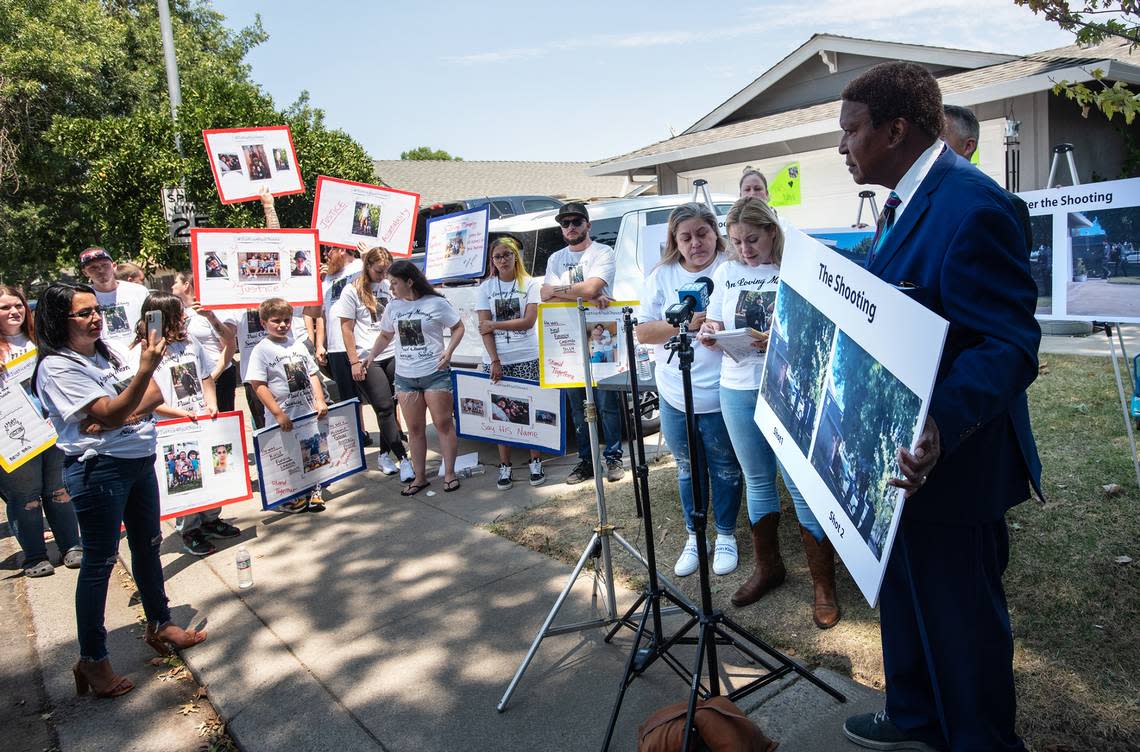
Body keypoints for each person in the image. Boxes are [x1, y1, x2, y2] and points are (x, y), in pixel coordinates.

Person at [837, 62, 1041, 751]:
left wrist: (939, 424)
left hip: (953, 463)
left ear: (894, 130)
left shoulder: (975, 206)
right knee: (906, 602)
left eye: (851, 131)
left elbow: (1008, 345)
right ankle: (915, 717)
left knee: (964, 634)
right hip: (899, 462)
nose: (842, 147)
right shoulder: (897, 204)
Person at [33, 282, 206, 699]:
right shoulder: (57, 367)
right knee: (100, 563)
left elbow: (152, 396)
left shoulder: (105, 351)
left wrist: (119, 415)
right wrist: (133, 388)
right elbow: (114, 408)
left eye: (96, 310)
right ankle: (93, 660)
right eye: (83, 313)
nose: (95, 318)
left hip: (138, 462)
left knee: (148, 544)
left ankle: (160, 623)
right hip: (100, 473)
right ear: (60, 319)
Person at [697, 198, 840, 627]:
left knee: (799, 483)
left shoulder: (797, 265)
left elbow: (819, 323)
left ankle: (823, 583)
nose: (745, 249)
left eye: (753, 239)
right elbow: (715, 320)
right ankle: (769, 568)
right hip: (736, 386)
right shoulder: (726, 272)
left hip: (787, 386)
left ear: (772, 232)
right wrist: (710, 332)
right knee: (757, 479)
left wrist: (783, 333)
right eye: (737, 241)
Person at [636, 203, 743, 578]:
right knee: (687, 469)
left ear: (716, 233)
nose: (696, 243)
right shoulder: (661, 276)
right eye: (686, 237)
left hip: (722, 392)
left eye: (703, 234)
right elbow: (643, 331)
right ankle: (695, 537)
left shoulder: (733, 270)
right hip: (675, 394)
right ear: (675, 242)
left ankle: (726, 534)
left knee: (726, 468)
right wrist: (685, 323)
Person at [130, 292, 240, 555]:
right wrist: (177, 413)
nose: (184, 318)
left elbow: (206, 378)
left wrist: (211, 404)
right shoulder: (142, 352)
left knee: (215, 472)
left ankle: (212, 518)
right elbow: (143, 397)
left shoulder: (190, 344)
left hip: (202, 420)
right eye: (178, 313)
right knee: (185, 478)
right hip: (170, 427)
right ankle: (189, 528)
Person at [0, 285, 82, 578]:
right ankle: (34, 556)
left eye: (18, 305)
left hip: (53, 428)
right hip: (14, 437)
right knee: (26, 497)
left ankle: (72, 545)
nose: (14, 312)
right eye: (5, 307)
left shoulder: (42, 339)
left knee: (59, 490)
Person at [540, 202, 625, 484]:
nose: (571, 227)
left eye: (577, 221)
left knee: (606, 404)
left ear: (588, 225)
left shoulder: (602, 252)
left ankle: (613, 459)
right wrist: (586, 296)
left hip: (600, 336)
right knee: (578, 407)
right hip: (565, 341)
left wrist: (578, 291)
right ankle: (587, 461)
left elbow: (590, 287)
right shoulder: (555, 259)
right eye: (565, 223)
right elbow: (544, 295)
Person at [364, 261, 464, 495]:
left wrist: (448, 352)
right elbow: (386, 335)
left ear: (409, 281)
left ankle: (449, 473)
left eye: (395, 283)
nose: (391, 288)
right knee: (415, 429)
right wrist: (371, 356)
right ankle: (419, 478)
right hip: (406, 377)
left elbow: (458, 327)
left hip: (434, 373)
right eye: (390, 283)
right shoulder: (393, 307)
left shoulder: (436, 303)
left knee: (442, 424)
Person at [334, 245, 413, 481]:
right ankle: (405, 459)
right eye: (379, 271)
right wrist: (354, 362)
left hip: (392, 352)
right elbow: (346, 329)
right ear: (367, 266)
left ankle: (383, 455)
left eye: (387, 271)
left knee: (392, 405)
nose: (383, 276)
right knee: (384, 407)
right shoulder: (351, 291)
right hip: (368, 356)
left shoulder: (390, 286)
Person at [245, 298, 329, 513]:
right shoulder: (261, 350)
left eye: (286, 320)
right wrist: (278, 413)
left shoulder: (297, 344)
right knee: (289, 455)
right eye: (276, 321)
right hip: (284, 414)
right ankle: (292, 495)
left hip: (307, 411)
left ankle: (314, 490)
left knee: (313, 450)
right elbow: (258, 384)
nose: (282, 325)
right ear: (263, 323)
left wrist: (319, 399)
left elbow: (312, 374)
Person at [475, 236, 545, 490]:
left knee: (528, 411)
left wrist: (495, 324)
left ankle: (535, 462)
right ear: (492, 261)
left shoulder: (530, 284)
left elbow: (528, 321)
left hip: (526, 356)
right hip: (495, 360)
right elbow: (484, 328)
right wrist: (494, 359)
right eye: (497, 256)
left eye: (507, 254)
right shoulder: (486, 288)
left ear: (516, 256)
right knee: (499, 413)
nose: (503, 260)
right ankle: (505, 466)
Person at [942, 104, 1034, 255]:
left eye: (939, 140)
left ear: (968, 146)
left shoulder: (1006, 205)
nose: (928, 149)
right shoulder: (906, 203)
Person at [171, 272, 239, 413]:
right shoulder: (181, 312)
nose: (172, 286)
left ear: (186, 285)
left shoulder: (210, 309)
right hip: (196, 381)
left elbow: (230, 344)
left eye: (176, 282)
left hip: (218, 376)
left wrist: (213, 376)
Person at [317, 243, 363, 405]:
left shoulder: (360, 266)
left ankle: (395, 430)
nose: (325, 255)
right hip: (336, 346)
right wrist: (320, 344)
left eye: (328, 250)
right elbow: (323, 315)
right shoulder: (327, 278)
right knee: (349, 398)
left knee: (381, 397)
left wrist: (367, 255)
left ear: (342, 250)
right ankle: (359, 430)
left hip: (361, 344)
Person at [79, 247, 150, 348]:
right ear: (85, 272)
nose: (100, 270)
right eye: (93, 268)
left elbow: (151, 323)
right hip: (104, 358)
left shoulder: (139, 291)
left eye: (105, 265)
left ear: (114, 266)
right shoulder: (83, 297)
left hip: (139, 352)